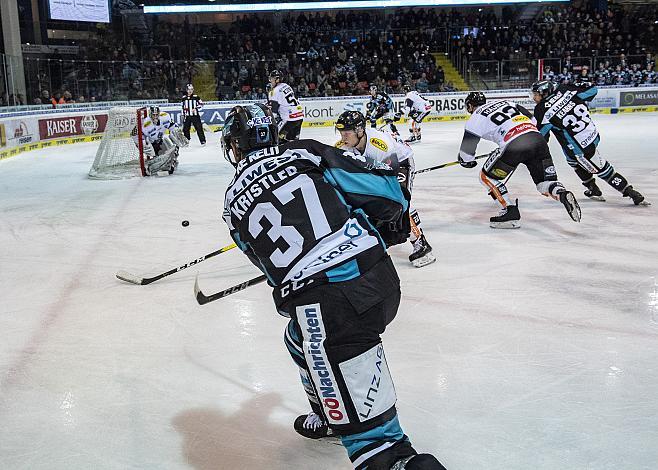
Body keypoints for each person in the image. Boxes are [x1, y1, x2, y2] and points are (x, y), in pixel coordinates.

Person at [221, 103, 446, 470]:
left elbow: (268, 268)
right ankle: (329, 411)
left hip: (329, 308)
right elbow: (389, 196)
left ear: (235, 147)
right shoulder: (305, 151)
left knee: (377, 448)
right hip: (380, 278)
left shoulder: (231, 202)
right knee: (296, 339)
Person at [457, 92, 581, 228]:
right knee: (544, 183)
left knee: (485, 176)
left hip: (514, 145)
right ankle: (562, 194)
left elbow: (466, 155)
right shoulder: (507, 102)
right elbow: (534, 121)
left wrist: (467, 161)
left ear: (469, 106)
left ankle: (509, 210)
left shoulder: (475, 118)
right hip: (537, 139)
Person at [335, 110, 435, 268]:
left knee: (399, 202)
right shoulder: (344, 146)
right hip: (379, 167)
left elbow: (390, 173)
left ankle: (421, 244)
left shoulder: (378, 144)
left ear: (360, 131)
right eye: (341, 133)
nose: (343, 137)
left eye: (347, 133)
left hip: (401, 163)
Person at [531, 80, 649, 206]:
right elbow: (592, 91)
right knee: (572, 161)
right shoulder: (564, 89)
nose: (534, 97)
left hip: (580, 147)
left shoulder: (541, 109)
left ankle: (632, 193)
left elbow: (541, 136)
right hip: (592, 135)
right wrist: (580, 83)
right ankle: (593, 189)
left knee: (603, 169)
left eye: (536, 94)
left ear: (544, 93)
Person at [136, 105, 188, 175]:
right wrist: (143, 144)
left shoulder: (165, 117)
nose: (155, 117)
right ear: (150, 114)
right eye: (153, 115)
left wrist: (177, 132)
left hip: (160, 141)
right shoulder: (145, 124)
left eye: (156, 114)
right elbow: (137, 135)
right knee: (163, 159)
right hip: (152, 145)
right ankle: (150, 166)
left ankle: (169, 162)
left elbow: (172, 126)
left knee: (172, 153)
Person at [268, 69, 304, 142]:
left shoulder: (274, 91)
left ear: (277, 79)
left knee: (276, 138)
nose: (270, 80)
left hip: (290, 119)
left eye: (272, 78)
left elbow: (274, 112)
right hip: (300, 116)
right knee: (294, 141)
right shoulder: (286, 86)